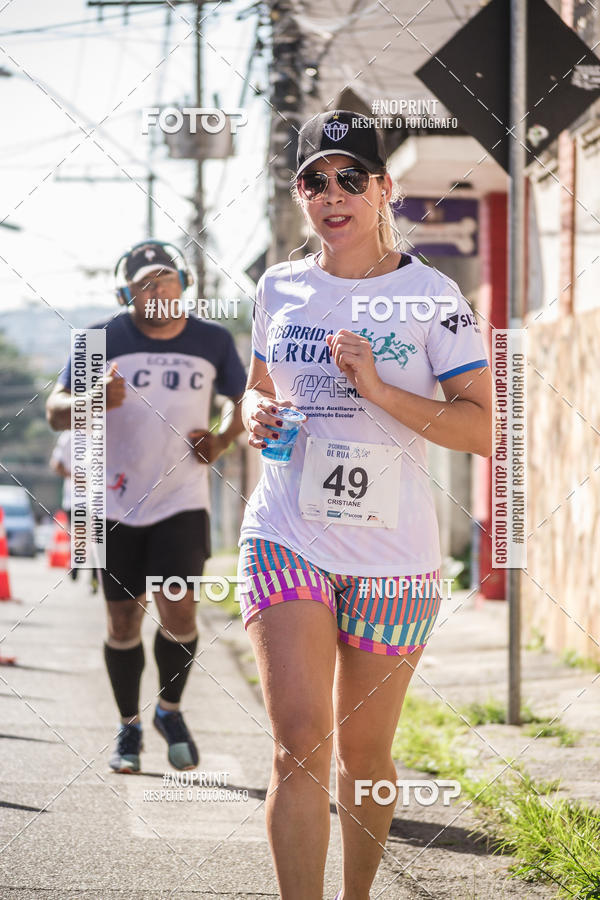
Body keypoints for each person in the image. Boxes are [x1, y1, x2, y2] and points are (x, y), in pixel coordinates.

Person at [238, 110, 492, 899]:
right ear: (301, 194)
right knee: (300, 744)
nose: (333, 194)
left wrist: (378, 389)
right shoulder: (279, 287)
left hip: (396, 555)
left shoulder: (433, 296)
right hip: (287, 534)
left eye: (352, 178)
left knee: (366, 755)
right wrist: (252, 415)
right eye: (316, 180)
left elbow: (484, 428)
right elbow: (258, 386)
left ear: (384, 189)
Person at [46, 240, 246, 773]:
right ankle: (128, 727)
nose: (160, 292)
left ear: (185, 285)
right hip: (109, 503)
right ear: (126, 293)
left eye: (168, 281)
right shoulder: (100, 339)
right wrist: (92, 398)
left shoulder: (213, 339)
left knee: (179, 607)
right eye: (146, 284)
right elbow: (54, 412)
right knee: (121, 619)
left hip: (183, 498)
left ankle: (170, 710)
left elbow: (246, 400)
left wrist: (222, 439)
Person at [49, 430, 98, 591]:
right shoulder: (69, 436)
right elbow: (56, 464)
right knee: (88, 536)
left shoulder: (103, 433)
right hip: (76, 498)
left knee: (93, 537)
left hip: (97, 498)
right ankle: (82, 569)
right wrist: (77, 478)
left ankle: (90, 574)